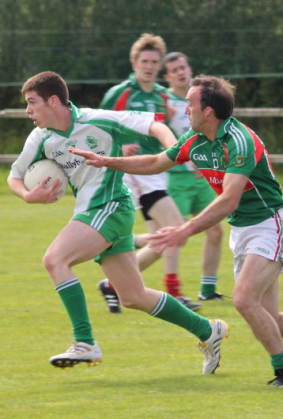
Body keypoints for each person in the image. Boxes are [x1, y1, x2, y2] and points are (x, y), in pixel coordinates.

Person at [70, 75, 283, 387]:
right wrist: (106, 161)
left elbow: (229, 199)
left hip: (270, 225)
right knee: (273, 323)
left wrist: (184, 230)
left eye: (190, 103)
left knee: (243, 300)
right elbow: (154, 163)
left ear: (209, 112)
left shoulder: (239, 141)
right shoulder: (195, 140)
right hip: (243, 231)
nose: (184, 109)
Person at [7, 71, 229, 373]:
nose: (28, 111)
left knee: (54, 260)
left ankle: (84, 342)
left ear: (54, 100)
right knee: (133, 296)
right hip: (94, 211)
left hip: (109, 206)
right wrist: (28, 196)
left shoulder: (96, 119)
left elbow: (154, 125)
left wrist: (172, 151)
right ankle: (208, 330)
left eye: (32, 103)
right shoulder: (41, 138)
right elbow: (15, 175)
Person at [98, 33, 200, 312]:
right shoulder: (120, 94)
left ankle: (112, 285)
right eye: (144, 61)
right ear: (134, 62)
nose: (149, 66)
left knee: (161, 241)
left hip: (157, 172)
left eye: (155, 61)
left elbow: (169, 131)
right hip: (135, 173)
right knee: (177, 226)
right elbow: (97, 129)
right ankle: (172, 292)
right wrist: (119, 148)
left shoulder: (161, 96)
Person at [162, 52, 224, 301]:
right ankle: (115, 284)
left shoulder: (200, 100)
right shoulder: (162, 101)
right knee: (173, 236)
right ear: (167, 76)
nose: (180, 72)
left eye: (183, 67)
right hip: (176, 178)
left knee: (216, 231)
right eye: (174, 69)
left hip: (202, 178)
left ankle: (207, 290)